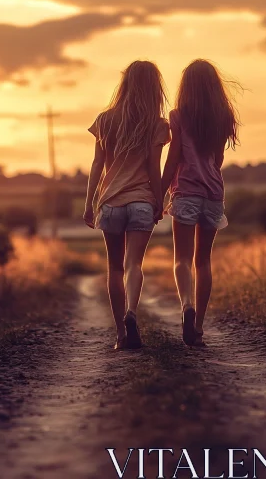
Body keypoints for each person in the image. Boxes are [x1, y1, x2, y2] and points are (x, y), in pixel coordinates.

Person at [84, 61, 170, 350]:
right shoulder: (157, 124)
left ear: (125, 84)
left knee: (114, 268)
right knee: (134, 264)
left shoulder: (105, 120)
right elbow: (153, 167)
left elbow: (97, 165)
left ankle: (121, 334)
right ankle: (132, 312)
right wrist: (159, 202)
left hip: (110, 203)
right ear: (154, 88)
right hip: (142, 202)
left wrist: (89, 203)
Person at [162, 59, 240, 347]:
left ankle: (186, 306)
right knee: (203, 261)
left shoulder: (178, 116)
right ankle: (197, 327)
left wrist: (159, 192)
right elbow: (218, 161)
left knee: (181, 259)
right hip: (214, 194)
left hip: (186, 190)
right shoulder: (223, 117)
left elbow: (173, 158)